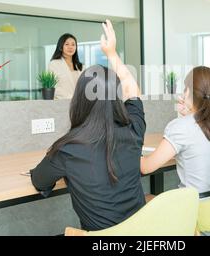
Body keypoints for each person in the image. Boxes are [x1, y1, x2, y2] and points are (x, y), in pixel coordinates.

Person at [30, 20, 146, 231]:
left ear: (79, 99)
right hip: (142, 233)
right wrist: (111, 52)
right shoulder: (134, 130)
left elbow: (40, 180)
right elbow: (133, 91)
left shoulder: (68, 148)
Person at [140, 66, 210, 196]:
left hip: (194, 210)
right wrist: (188, 115)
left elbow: (146, 167)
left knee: (147, 198)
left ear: (187, 91)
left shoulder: (180, 128)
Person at [48, 33, 84, 99]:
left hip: (79, 104)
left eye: (73, 44)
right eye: (67, 44)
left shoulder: (81, 66)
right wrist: (72, 98)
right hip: (62, 103)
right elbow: (54, 88)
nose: (70, 47)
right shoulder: (54, 64)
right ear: (61, 47)